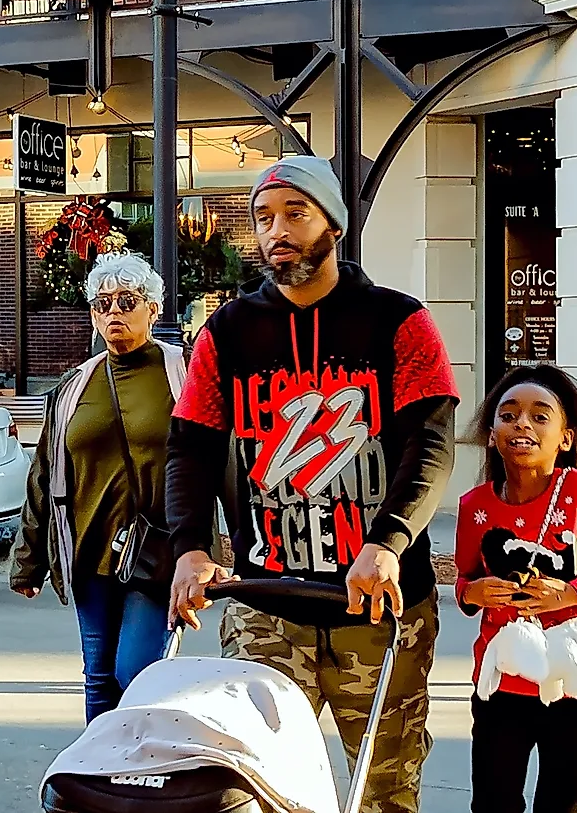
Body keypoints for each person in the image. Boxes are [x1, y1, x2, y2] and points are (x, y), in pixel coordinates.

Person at [164, 155, 461, 813]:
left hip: (380, 608)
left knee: (384, 789)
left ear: (334, 222)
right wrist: (189, 547)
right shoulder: (227, 333)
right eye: (264, 217)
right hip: (264, 601)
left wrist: (388, 539)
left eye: (295, 212)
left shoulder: (400, 322)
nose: (277, 231)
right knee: (256, 786)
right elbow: (190, 449)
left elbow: (431, 445)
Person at [454, 366, 577, 813]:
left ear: (565, 437)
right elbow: (465, 581)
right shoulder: (474, 506)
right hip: (500, 685)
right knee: (492, 802)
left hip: (572, 684)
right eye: (509, 415)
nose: (522, 423)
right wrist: (474, 593)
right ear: (491, 434)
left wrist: (572, 594)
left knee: (560, 804)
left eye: (541, 416)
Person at [11, 251, 188, 721]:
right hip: (88, 552)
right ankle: (100, 780)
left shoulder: (182, 374)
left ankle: (142, 772)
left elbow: (219, 465)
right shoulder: (74, 386)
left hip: (159, 553)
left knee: (136, 671)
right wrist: (28, 563)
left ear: (153, 307)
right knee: (99, 677)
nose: (114, 313)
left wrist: (215, 552)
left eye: (126, 301)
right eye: (102, 303)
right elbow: (44, 475)